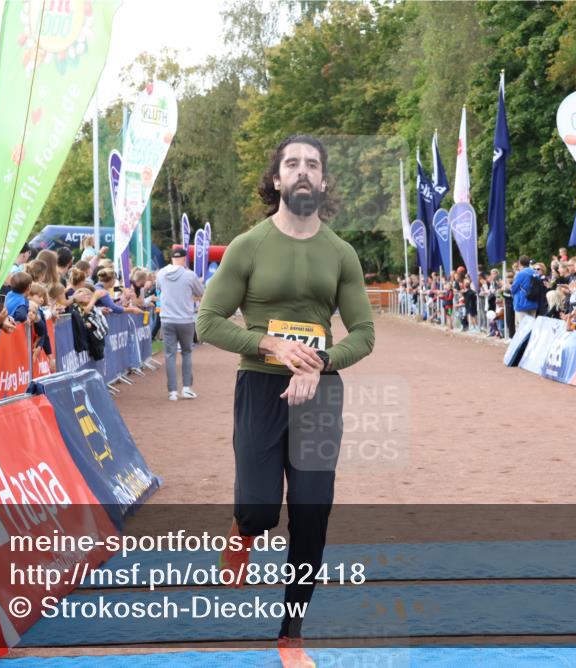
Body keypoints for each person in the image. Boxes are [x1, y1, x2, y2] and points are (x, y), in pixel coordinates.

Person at [196, 135, 374, 665]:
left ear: (322, 183)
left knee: (312, 514)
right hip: (260, 385)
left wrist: (318, 363)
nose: (301, 171)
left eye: (312, 165)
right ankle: (244, 527)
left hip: (319, 392)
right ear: (276, 179)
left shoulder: (341, 253)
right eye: (291, 163)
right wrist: (270, 344)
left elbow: (363, 333)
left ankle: (290, 636)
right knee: (259, 508)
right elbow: (207, 322)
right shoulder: (249, 245)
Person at [157, 247, 204, 400]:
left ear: (171, 259)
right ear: (184, 259)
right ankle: (186, 388)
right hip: (185, 319)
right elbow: (201, 293)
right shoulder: (190, 275)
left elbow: (159, 289)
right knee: (186, 352)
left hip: (167, 319)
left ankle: (172, 392)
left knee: (170, 355)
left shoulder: (161, 273)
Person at [510, 255, 539, 329]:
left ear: (519, 263)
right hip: (533, 302)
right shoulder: (535, 273)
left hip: (521, 303)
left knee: (523, 327)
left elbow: (513, 289)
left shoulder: (520, 274)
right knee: (532, 326)